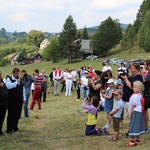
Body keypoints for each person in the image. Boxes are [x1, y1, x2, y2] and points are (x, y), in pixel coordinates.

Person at [6, 68, 26, 134]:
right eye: (16, 73)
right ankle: (9, 129)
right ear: (13, 73)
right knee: (11, 114)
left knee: (17, 114)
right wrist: (16, 82)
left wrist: (24, 98)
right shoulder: (9, 79)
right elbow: (8, 86)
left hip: (19, 99)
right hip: (12, 100)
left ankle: (15, 127)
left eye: (18, 73)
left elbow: (23, 89)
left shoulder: (20, 79)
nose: (17, 75)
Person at [127, 81, 145, 146]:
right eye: (133, 87)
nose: (133, 88)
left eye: (135, 87)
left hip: (135, 112)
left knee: (133, 126)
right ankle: (138, 139)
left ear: (139, 89)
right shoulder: (139, 95)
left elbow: (133, 106)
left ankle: (132, 140)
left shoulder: (135, 96)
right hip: (139, 112)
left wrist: (130, 114)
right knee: (138, 125)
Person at [0, 71, 8, 136]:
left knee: (2, 117)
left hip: (4, 103)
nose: (0, 75)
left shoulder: (2, 81)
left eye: (1, 74)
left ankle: (0, 130)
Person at [143, 60, 150, 131]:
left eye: (145, 65)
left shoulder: (149, 74)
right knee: (145, 111)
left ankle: (145, 127)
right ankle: (145, 126)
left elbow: (144, 81)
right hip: (147, 95)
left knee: (145, 111)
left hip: (148, 95)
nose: (144, 66)